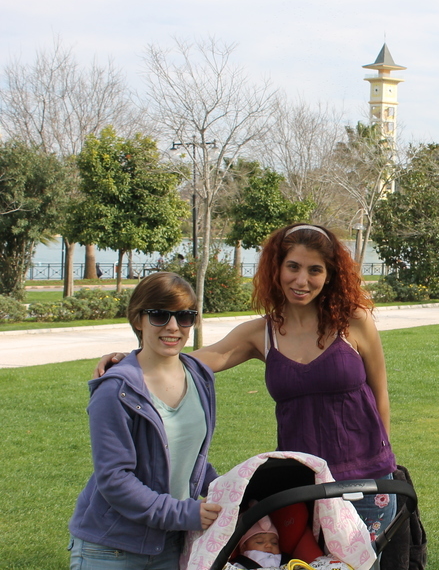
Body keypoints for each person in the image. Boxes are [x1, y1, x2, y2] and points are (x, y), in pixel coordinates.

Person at [96, 223, 397, 541]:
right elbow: (196, 361)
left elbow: (380, 394)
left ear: (330, 275)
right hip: (300, 486)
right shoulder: (261, 334)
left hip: (365, 484)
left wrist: (380, 459)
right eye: (292, 267)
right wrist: (133, 360)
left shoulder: (354, 322)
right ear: (277, 268)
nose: (302, 280)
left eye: (315, 270)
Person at [70, 272, 223, 570]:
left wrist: (230, 491)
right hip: (112, 546)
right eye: (160, 315)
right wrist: (187, 513)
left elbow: (191, 458)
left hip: (166, 546)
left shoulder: (199, 376)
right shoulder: (116, 388)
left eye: (186, 317)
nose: (174, 327)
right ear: (138, 318)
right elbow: (115, 480)